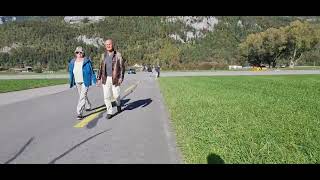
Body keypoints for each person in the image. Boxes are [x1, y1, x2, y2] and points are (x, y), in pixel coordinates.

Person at [96, 39, 125, 119]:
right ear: (105, 46)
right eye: (107, 44)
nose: (108, 46)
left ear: (113, 45)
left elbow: (122, 67)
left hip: (115, 78)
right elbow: (100, 67)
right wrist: (98, 78)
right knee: (106, 96)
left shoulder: (118, 55)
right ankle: (109, 112)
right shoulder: (103, 55)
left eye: (110, 44)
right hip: (106, 78)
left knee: (116, 95)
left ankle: (118, 104)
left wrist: (121, 77)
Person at [68, 46, 97, 120]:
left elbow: (91, 71)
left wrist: (95, 80)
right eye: (77, 52)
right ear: (75, 53)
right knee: (82, 95)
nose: (79, 54)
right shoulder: (72, 61)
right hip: (77, 81)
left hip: (85, 80)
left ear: (83, 53)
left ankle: (79, 112)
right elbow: (71, 71)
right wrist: (71, 80)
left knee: (82, 96)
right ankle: (88, 106)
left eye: (80, 52)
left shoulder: (86, 61)